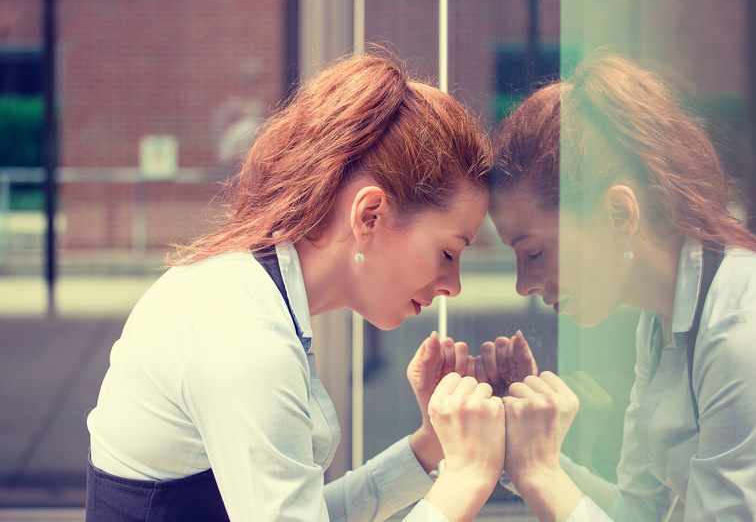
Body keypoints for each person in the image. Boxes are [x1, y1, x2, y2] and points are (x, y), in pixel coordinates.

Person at [85, 54, 507, 522]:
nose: (455, 286)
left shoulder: (247, 293)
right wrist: (466, 475)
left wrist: (430, 448)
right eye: (449, 252)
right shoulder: (243, 335)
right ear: (369, 216)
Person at [486, 51, 756, 521]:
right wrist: (519, 453)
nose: (523, 284)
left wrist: (540, 472)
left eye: (534, 252)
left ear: (619, 214)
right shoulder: (666, 319)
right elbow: (635, 512)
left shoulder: (752, 336)